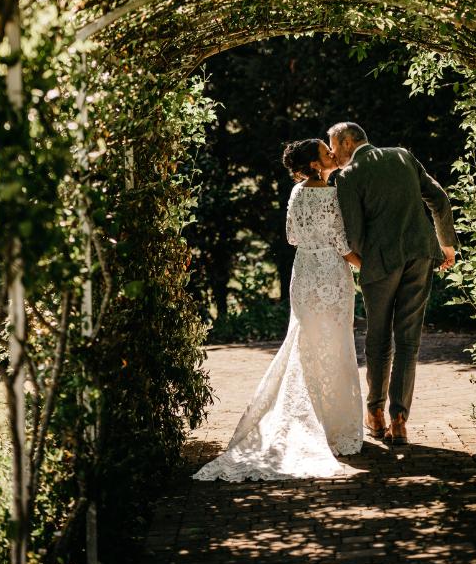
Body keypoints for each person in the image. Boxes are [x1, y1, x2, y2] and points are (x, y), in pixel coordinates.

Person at [194, 138, 363, 481]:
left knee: (305, 343)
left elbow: (291, 237)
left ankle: (314, 417)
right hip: (331, 273)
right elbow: (342, 243)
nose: (332, 153)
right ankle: (335, 425)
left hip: (303, 274)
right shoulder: (332, 195)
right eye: (325, 152)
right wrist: (366, 265)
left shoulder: (296, 193)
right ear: (316, 164)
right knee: (336, 344)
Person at [329, 121, 457, 447]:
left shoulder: (347, 176)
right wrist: (446, 245)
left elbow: (354, 233)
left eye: (333, 144)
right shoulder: (402, 156)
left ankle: (375, 414)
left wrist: (364, 259)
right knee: (408, 338)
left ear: (347, 143)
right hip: (420, 254)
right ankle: (400, 419)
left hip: (381, 264)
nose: (331, 152)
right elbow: (438, 198)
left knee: (378, 338)